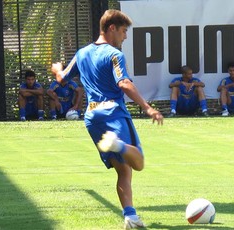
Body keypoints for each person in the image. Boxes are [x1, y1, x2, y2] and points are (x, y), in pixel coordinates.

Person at [51, 9, 163, 229]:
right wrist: (147, 107)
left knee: (123, 170)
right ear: (112, 28)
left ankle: (130, 217)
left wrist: (57, 68)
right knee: (137, 162)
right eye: (123, 31)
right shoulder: (114, 54)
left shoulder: (82, 53)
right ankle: (118, 144)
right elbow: (124, 83)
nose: (125, 36)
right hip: (113, 111)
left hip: (92, 116)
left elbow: (62, 79)